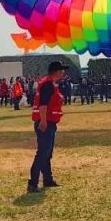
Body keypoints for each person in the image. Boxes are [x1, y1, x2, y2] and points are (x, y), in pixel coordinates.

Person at [28, 61, 67, 193]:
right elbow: (43, 105)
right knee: (43, 153)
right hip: (45, 123)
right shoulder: (48, 85)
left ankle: (48, 179)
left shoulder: (50, 84)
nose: (63, 73)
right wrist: (43, 121)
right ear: (56, 72)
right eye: (61, 70)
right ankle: (33, 183)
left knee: (47, 153)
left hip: (49, 122)